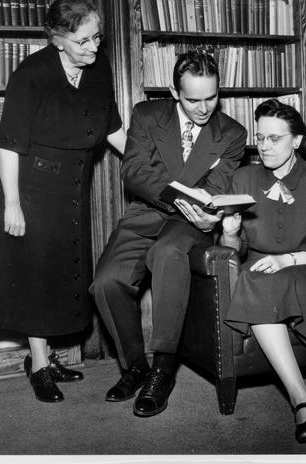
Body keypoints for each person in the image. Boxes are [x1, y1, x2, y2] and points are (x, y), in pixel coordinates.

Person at [0, 0, 126, 403]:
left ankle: (49, 356)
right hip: (26, 184)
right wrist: (12, 203)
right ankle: (40, 363)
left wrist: (149, 164)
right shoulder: (31, 74)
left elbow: (112, 128)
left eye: (98, 37)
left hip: (72, 186)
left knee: (63, 272)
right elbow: (8, 145)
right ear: (58, 40)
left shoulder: (97, 71)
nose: (94, 47)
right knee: (35, 273)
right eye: (83, 41)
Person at [90, 51, 247, 417]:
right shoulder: (146, 115)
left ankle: (162, 369)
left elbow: (217, 187)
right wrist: (184, 198)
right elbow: (134, 172)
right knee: (106, 282)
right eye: (193, 99)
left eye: (212, 97)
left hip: (189, 224)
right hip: (148, 213)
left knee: (168, 253)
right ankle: (134, 366)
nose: (204, 107)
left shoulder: (233, 135)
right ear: (175, 92)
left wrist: (208, 213)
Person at [197, 98, 306, 444]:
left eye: (275, 138)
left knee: (276, 281)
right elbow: (235, 251)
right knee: (258, 281)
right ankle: (301, 398)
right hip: (261, 267)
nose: (265, 147)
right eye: (260, 137)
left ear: (296, 141)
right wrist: (231, 232)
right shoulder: (242, 177)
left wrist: (288, 259)